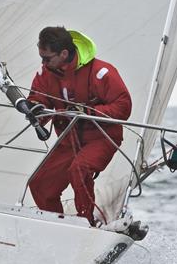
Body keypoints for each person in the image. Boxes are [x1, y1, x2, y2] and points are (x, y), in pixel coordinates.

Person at [28, 26, 132, 225]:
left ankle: (86, 224)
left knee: (80, 169)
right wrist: (33, 108)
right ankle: (57, 226)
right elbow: (38, 99)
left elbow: (123, 106)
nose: (43, 62)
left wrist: (89, 113)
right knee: (40, 183)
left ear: (64, 53)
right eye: (41, 57)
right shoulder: (46, 75)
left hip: (101, 138)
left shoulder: (101, 72)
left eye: (47, 58)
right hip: (69, 140)